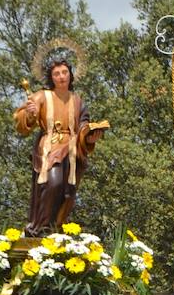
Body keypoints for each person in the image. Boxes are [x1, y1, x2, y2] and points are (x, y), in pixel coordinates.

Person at [13, 58, 105, 235]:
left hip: (71, 150)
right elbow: (23, 121)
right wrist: (31, 114)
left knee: (67, 192)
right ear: (51, 77)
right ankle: (41, 227)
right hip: (50, 146)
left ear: (70, 75)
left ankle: (57, 227)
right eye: (57, 74)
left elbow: (83, 126)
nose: (61, 77)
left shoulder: (77, 101)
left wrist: (90, 137)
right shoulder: (42, 96)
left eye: (65, 72)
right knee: (53, 183)